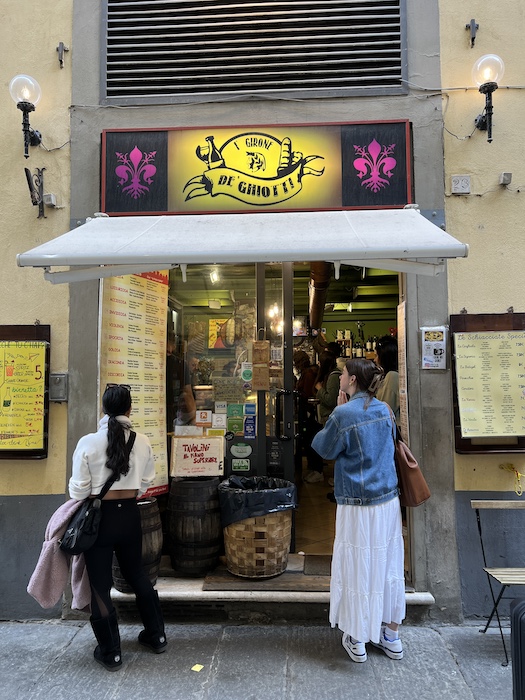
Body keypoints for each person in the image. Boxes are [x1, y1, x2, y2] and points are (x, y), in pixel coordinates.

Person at [312, 359, 405, 663]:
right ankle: (391, 636)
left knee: (357, 564)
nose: (338, 378)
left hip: (357, 503)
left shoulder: (343, 414)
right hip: (388, 501)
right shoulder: (385, 410)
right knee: (388, 563)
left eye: (343, 375)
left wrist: (338, 412)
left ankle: (357, 638)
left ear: (352, 381)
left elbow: (324, 449)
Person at [68, 384, 167, 672]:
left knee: (100, 584)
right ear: (129, 409)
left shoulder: (88, 442)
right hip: (130, 517)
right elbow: (146, 483)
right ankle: (156, 635)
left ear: (103, 409)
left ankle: (111, 652)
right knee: (137, 574)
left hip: (100, 519)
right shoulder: (143, 441)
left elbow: (78, 492)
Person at [293, 350, 324, 481]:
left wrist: (297, 392)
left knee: (311, 440)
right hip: (309, 412)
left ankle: (317, 470)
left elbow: (307, 393)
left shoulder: (308, 374)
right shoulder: (310, 372)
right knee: (310, 440)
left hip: (309, 413)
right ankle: (313, 469)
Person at [375, 335, 400, 423]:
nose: (375, 359)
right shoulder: (388, 375)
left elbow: (384, 410)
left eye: (377, 355)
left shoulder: (392, 376)